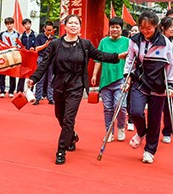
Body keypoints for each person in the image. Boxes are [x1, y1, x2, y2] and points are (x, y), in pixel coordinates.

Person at [28, 14, 125, 165]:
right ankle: (72, 136)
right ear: (65, 26)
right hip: (59, 85)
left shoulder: (85, 44)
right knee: (60, 116)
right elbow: (44, 63)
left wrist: (117, 56)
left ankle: (61, 150)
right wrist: (34, 78)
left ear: (80, 27)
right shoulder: (55, 44)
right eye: (71, 23)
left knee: (68, 118)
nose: (73, 26)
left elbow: (99, 55)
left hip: (76, 86)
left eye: (76, 23)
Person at [123, 11, 173, 164]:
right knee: (135, 111)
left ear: (156, 26)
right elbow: (130, 59)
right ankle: (141, 132)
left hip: (159, 84)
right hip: (140, 80)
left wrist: (171, 85)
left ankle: (149, 151)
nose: (145, 31)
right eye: (142, 28)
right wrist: (127, 76)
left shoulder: (165, 43)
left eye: (149, 28)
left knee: (154, 119)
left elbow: (169, 66)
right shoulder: (134, 40)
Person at [91, 17, 130, 142]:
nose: (114, 29)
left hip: (121, 78)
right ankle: (109, 132)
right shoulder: (104, 42)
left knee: (120, 106)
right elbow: (98, 59)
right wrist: (94, 74)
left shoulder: (127, 42)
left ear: (121, 29)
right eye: (112, 27)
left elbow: (131, 60)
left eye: (117, 27)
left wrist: (129, 78)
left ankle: (121, 127)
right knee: (108, 108)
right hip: (106, 79)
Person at [33, 21, 56, 105]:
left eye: (51, 30)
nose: (49, 32)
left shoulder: (54, 38)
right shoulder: (39, 36)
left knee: (51, 80)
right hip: (42, 58)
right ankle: (38, 97)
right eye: (48, 30)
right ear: (44, 29)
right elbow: (36, 49)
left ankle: (50, 98)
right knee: (40, 79)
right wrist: (45, 45)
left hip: (51, 59)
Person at [0, 17, 20, 98]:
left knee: (12, 73)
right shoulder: (2, 34)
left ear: (13, 24)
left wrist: (15, 47)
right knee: (2, 73)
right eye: (7, 24)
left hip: (13, 55)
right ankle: (2, 91)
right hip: (4, 55)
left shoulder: (17, 34)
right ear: (5, 25)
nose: (9, 25)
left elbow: (19, 44)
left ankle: (11, 91)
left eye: (11, 23)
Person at [15, 18, 36, 93]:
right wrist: (20, 48)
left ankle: (30, 90)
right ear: (23, 26)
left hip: (32, 57)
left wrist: (33, 48)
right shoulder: (21, 35)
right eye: (25, 24)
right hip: (24, 57)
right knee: (22, 74)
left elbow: (37, 45)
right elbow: (18, 45)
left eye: (28, 24)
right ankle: (19, 90)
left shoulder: (35, 34)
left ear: (31, 24)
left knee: (31, 74)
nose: (27, 25)